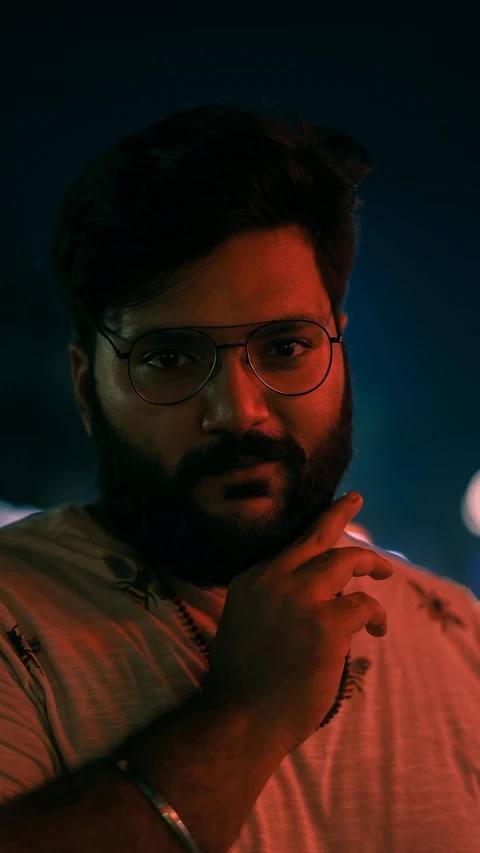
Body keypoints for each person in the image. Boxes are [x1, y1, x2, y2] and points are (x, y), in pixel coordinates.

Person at [0, 100, 478, 853]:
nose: (238, 411)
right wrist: (248, 714)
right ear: (87, 386)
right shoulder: (10, 620)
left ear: (340, 353)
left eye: (285, 346)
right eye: (170, 356)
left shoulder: (463, 643)